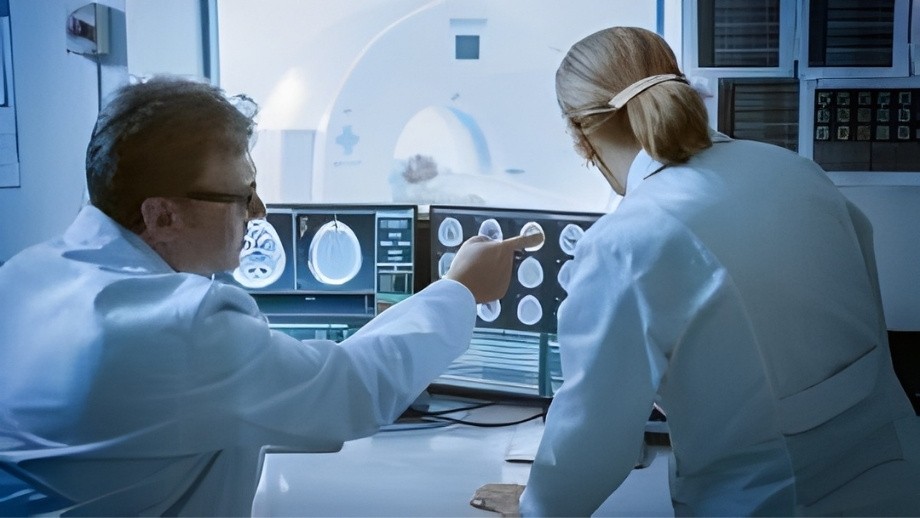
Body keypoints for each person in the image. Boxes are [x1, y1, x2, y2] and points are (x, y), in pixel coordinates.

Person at [0, 76, 542, 516]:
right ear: (161, 214)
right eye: (241, 194)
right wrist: (460, 290)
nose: (258, 210)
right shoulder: (181, 323)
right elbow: (352, 392)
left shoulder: (24, 274)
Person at [515, 27, 920, 516]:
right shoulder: (796, 170)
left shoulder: (626, 239)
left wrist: (536, 507)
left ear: (580, 134)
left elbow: (593, 430)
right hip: (895, 478)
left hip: (770, 499)